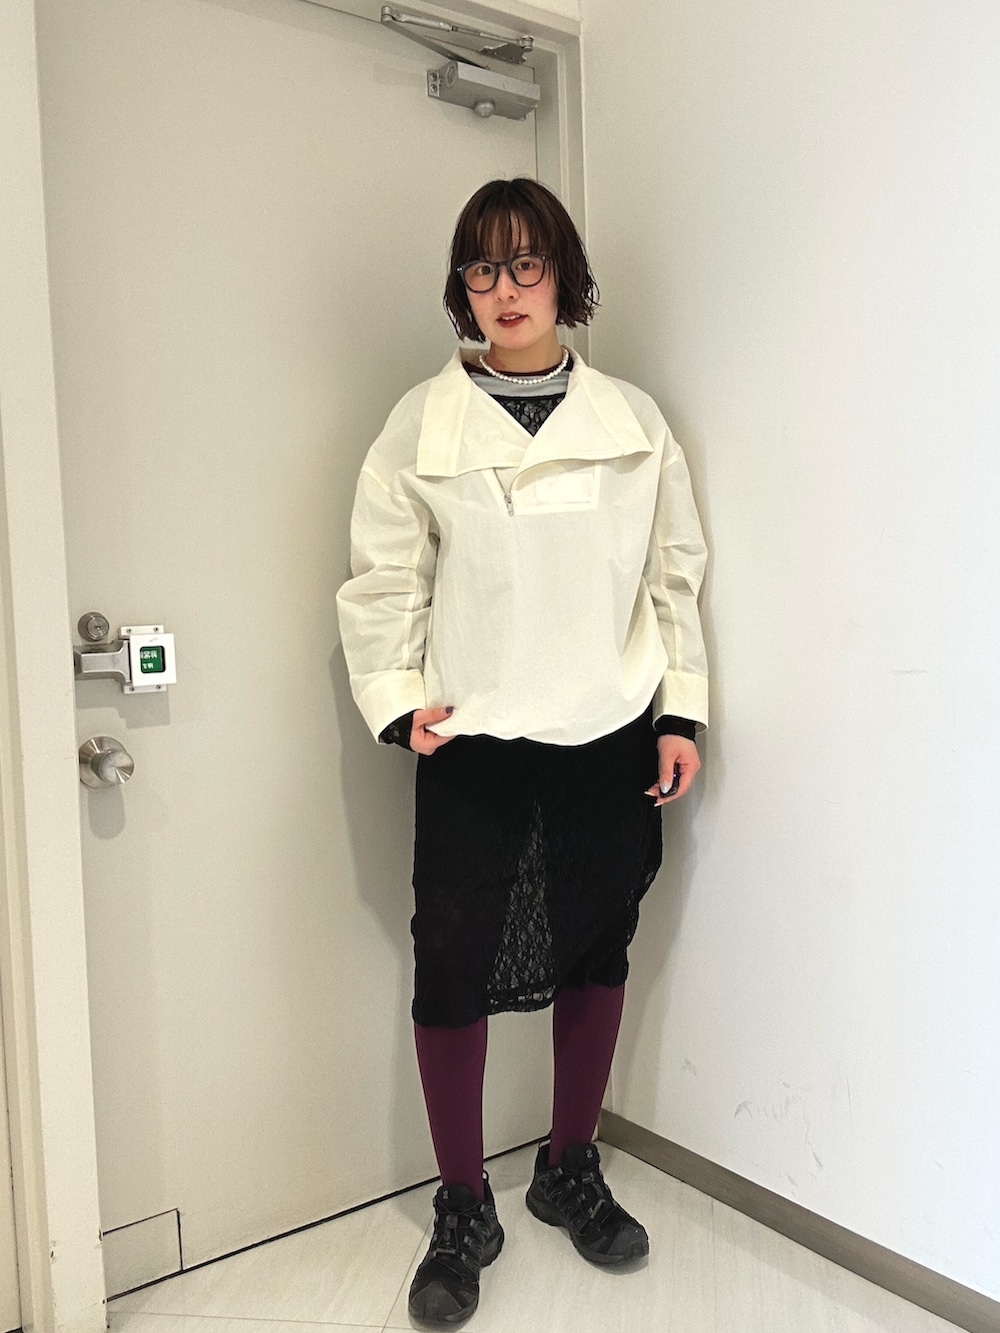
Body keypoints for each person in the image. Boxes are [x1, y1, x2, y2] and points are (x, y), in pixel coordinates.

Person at [336, 177, 708, 1327]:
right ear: (463, 287)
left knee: (597, 948)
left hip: (607, 729)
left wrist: (681, 713)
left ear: (564, 276)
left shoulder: (634, 423)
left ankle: (566, 1166)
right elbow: (384, 577)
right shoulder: (421, 423)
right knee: (449, 965)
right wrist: (397, 700)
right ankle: (462, 1205)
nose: (505, 288)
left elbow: (672, 577)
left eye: (526, 262)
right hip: (476, 740)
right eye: (482, 268)